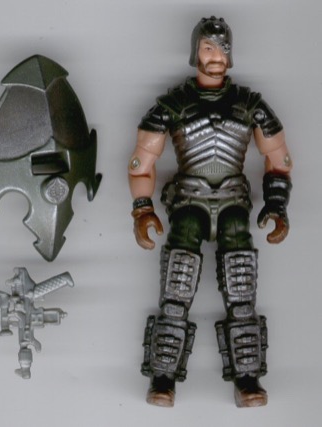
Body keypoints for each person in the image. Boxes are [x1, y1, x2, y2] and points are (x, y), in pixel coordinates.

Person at [128, 16, 292, 408]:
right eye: (208, 48)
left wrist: (277, 203)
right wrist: (142, 208)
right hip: (189, 204)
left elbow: (278, 158)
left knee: (241, 291)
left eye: (221, 49)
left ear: (230, 54)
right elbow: (142, 162)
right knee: (176, 290)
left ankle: (247, 378)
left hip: (234, 205)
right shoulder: (171, 106)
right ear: (195, 52)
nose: (216, 57)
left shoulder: (250, 105)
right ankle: (163, 377)